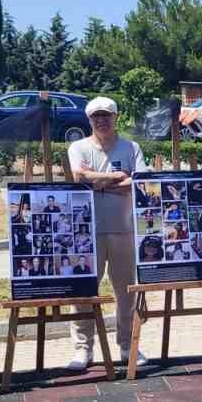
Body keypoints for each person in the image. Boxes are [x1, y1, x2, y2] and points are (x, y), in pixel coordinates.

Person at [67, 97, 146, 369]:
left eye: (106, 115)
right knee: (84, 292)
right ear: (88, 120)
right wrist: (116, 178)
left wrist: (97, 181)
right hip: (87, 231)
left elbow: (138, 182)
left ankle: (127, 344)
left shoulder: (131, 147)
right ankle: (82, 349)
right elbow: (78, 176)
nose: (101, 120)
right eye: (96, 116)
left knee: (126, 292)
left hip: (124, 229)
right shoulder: (78, 147)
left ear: (116, 117)